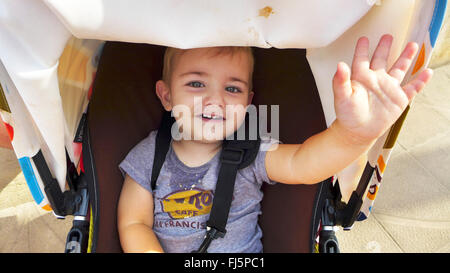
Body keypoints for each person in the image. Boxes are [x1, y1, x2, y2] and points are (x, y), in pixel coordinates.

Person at [117, 34, 433, 253]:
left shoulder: (251, 152)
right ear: (167, 96)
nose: (215, 99)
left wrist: (352, 135)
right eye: (196, 83)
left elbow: (304, 164)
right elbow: (134, 223)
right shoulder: (149, 156)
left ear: (248, 103)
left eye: (233, 89)